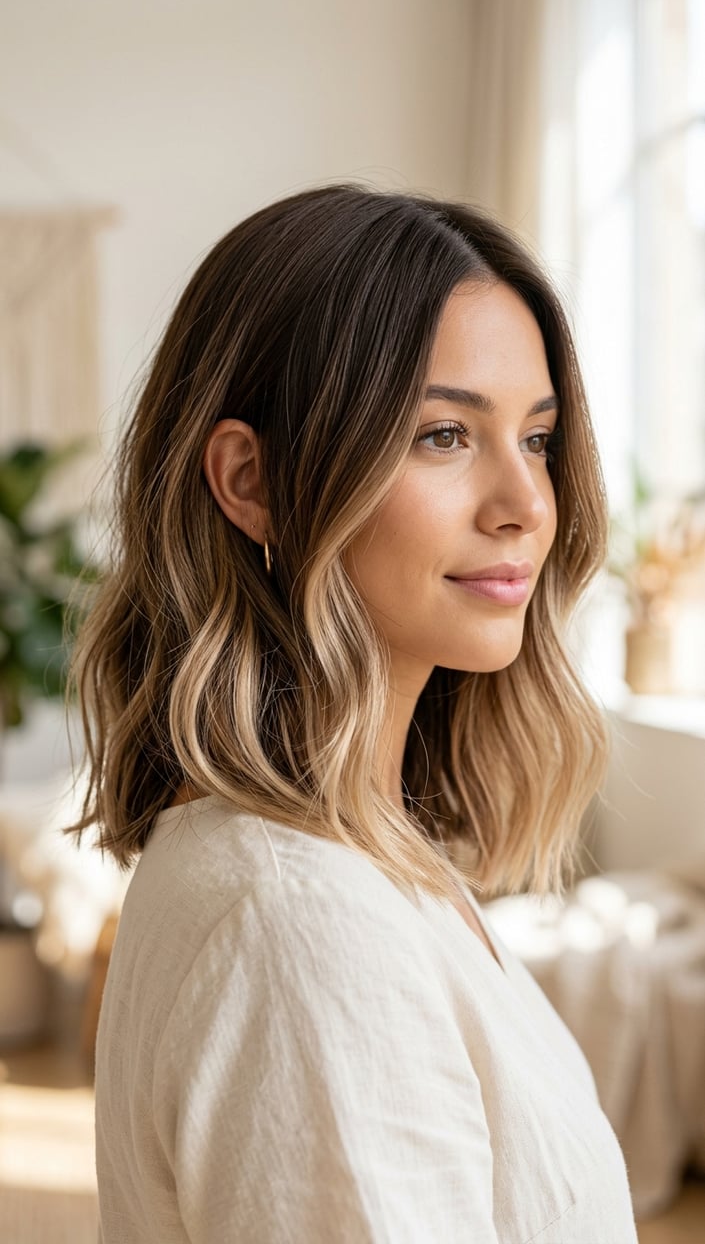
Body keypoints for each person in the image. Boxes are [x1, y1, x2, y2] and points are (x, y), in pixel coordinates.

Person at [72, 185, 638, 1242]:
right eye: (442, 435)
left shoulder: (351, 860)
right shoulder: (296, 917)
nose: (525, 502)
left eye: (538, 437)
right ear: (255, 481)